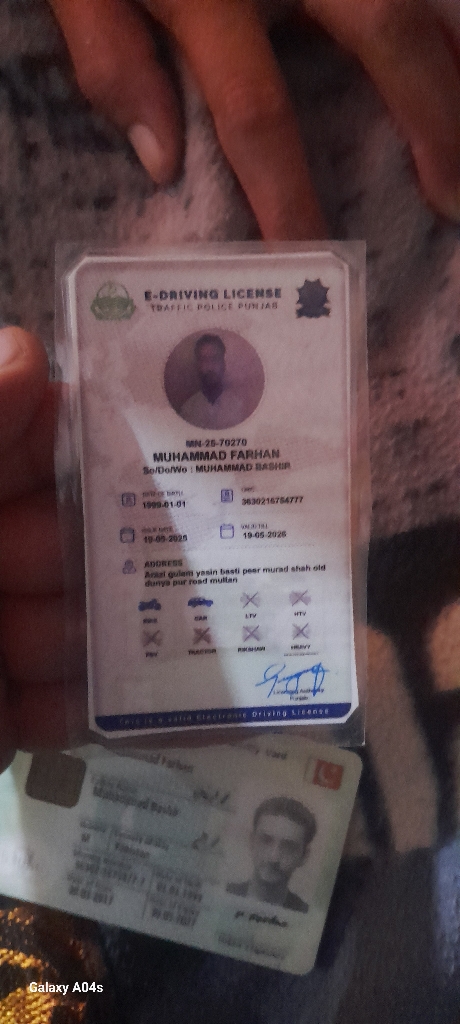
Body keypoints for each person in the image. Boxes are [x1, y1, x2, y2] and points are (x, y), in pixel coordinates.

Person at [227, 795, 317, 912]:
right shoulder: (222, 892)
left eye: (288, 847)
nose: (274, 857)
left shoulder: (306, 913)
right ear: (251, 841)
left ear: (304, 856)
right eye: (266, 840)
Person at [178, 334, 249, 429]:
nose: (210, 366)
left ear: (223, 364)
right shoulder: (188, 410)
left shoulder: (238, 407)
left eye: (215, 358)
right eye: (204, 359)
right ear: (198, 365)